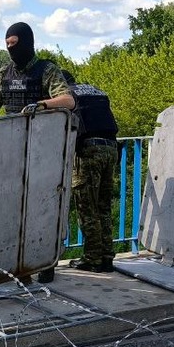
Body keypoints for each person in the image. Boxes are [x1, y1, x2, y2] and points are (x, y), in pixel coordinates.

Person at [0, 22, 76, 283]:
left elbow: (68, 100)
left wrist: (41, 104)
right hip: (11, 152)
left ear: (27, 41)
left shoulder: (47, 70)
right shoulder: (5, 73)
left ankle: (45, 262)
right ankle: (21, 266)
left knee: (42, 209)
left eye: (15, 43)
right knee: (13, 211)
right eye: (7, 44)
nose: (11, 49)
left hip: (43, 151)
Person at [61, 71, 119, 273]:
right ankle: (106, 257)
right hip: (111, 148)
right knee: (103, 206)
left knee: (87, 206)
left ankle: (92, 259)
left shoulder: (67, 95)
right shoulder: (96, 91)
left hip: (89, 151)